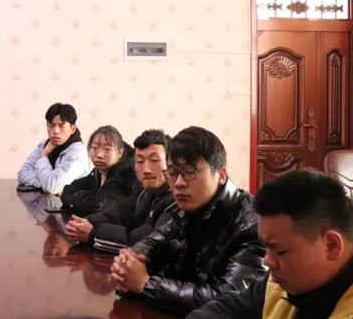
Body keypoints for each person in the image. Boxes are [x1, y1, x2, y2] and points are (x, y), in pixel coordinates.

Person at [111, 126, 266, 315]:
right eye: (172, 173)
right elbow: (154, 241)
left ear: (221, 175)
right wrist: (129, 263)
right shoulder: (188, 209)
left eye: (190, 172)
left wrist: (146, 284)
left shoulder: (252, 224)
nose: (178, 183)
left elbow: (230, 300)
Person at [186, 168, 353, 319]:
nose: (267, 261)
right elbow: (227, 308)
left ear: (331, 245)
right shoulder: (281, 283)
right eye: (266, 246)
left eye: (280, 251)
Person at [66, 129, 175, 253]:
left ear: (171, 162)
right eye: (139, 161)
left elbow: (143, 242)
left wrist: (93, 233)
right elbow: (117, 213)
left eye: (154, 160)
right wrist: (85, 223)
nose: (146, 169)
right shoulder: (144, 191)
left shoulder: (177, 199)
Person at [60, 125, 137, 216]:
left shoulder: (126, 175)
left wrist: (76, 197)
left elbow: (97, 207)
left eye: (107, 149)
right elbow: (68, 190)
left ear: (120, 152)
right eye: (95, 148)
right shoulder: (99, 170)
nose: (99, 155)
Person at [16, 103, 91, 194]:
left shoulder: (77, 152)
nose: (55, 131)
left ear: (72, 129)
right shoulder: (44, 144)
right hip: (46, 200)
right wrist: (46, 183)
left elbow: (51, 187)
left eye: (61, 126)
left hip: (71, 203)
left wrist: (43, 156)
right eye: (51, 126)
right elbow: (22, 173)